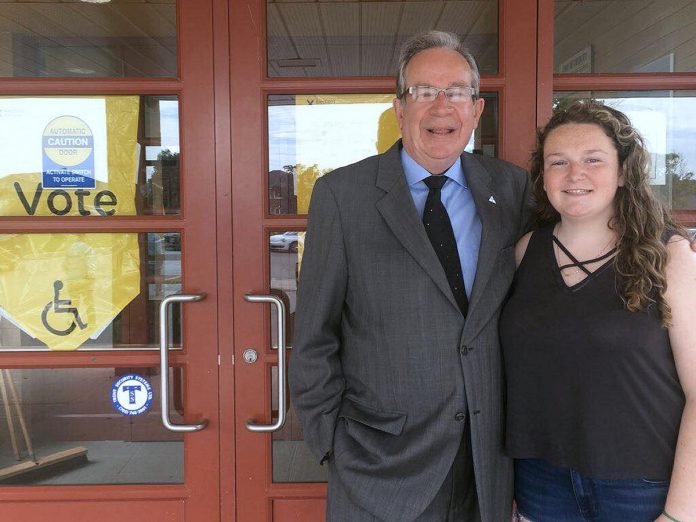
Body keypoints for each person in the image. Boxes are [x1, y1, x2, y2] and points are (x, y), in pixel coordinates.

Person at [289, 30, 530, 522]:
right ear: (399, 108)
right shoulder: (342, 195)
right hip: (378, 465)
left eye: (457, 91)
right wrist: (331, 443)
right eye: (424, 91)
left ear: (477, 109)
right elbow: (314, 335)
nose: (442, 107)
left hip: (486, 463)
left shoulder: (510, 187)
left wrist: (665, 244)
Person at [500, 101, 696, 522]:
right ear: (543, 176)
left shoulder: (669, 255)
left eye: (594, 160)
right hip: (542, 482)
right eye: (559, 162)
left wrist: (680, 514)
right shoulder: (524, 253)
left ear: (624, 171)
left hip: (644, 488)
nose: (575, 175)